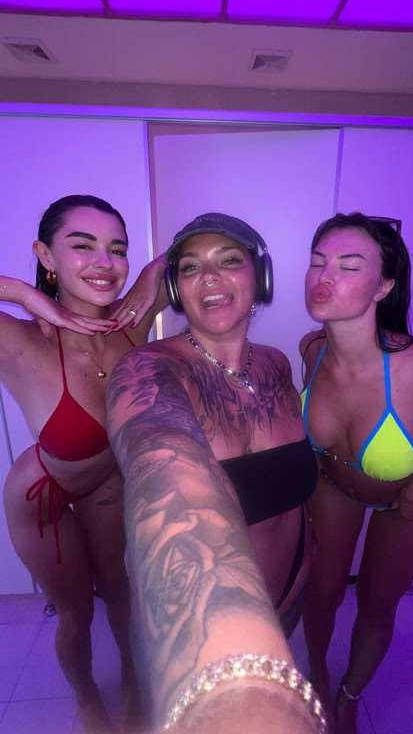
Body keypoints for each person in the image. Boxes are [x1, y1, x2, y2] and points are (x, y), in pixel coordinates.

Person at [106, 212, 320, 730]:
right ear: (175, 290)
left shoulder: (277, 364)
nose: (209, 278)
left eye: (229, 261)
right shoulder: (148, 368)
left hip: (291, 589)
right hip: (198, 621)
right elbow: (160, 454)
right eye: (189, 268)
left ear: (260, 276)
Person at [1, 194, 166, 733]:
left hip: (107, 484)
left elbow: (207, 243)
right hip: (42, 497)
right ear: (45, 255)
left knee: (122, 595)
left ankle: (135, 685)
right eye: (82, 246)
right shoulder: (18, 340)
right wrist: (25, 293)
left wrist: (152, 270)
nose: (104, 262)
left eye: (117, 249)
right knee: (77, 610)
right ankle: (87, 697)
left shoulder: (132, 323)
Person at [300, 212, 413, 733]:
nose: (325, 276)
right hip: (332, 483)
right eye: (317, 261)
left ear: (383, 286)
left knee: (376, 607)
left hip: (406, 499)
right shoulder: (312, 349)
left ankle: (349, 695)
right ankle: (317, 676)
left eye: (348, 266)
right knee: (321, 593)